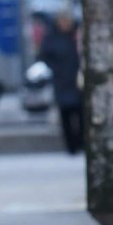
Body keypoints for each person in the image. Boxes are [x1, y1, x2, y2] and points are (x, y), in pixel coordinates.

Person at [39, 10, 84, 154]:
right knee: (65, 114)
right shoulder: (52, 37)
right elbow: (44, 56)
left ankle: (81, 143)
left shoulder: (77, 36)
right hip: (61, 81)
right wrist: (55, 69)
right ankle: (71, 146)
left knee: (81, 114)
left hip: (78, 79)